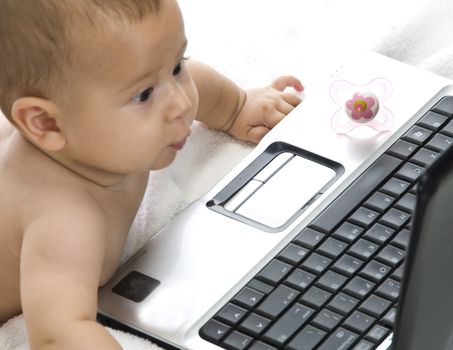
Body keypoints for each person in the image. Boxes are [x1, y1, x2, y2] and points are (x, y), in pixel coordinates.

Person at [0, 0, 304, 348]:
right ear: (46, 123)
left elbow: (193, 84)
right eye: (144, 94)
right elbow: (59, 334)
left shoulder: (125, 121)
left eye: (177, 66)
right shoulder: (64, 219)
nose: (181, 103)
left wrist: (237, 106)